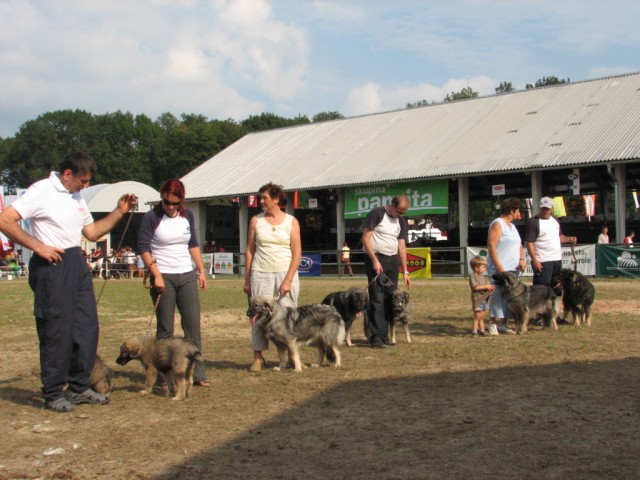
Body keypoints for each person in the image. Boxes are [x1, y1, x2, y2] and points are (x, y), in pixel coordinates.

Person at [0, 152, 137, 412]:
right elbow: (5, 220)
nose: (85, 186)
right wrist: (38, 246)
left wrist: (120, 211)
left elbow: (92, 232)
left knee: (87, 328)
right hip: (52, 265)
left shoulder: (75, 196)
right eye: (83, 181)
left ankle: (79, 387)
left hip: (76, 261)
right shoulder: (41, 190)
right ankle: (53, 392)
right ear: (67, 174)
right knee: (56, 331)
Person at [137, 179, 210, 388]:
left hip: (186, 274)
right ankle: (164, 375)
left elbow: (193, 244)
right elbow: (143, 246)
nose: (170, 207)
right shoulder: (152, 217)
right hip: (163, 275)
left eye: (175, 204)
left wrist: (201, 270)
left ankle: (198, 373)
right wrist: (156, 274)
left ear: (181, 201)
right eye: (167, 202)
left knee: (192, 326)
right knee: (165, 330)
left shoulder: (188, 216)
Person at [243, 182, 302, 372]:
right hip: (261, 274)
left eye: (264, 198)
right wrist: (247, 279)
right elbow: (250, 251)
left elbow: (297, 253)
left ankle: (292, 358)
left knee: (289, 318)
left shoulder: (291, 222)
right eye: (260, 198)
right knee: (258, 317)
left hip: (286, 273)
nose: (260, 201)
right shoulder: (256, 221)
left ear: (276, 199)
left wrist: (288, 280)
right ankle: (258, 357)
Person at [362, 195, 412, 348]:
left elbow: (402, 246)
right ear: (392, 205)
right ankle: (377, 337)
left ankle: (386, 336)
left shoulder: (401, 221)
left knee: (390, 299)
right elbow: (365, 238)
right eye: (399, 211)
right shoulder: (377, 214)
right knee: (377, 298)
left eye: (403, 212)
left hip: (392, 261)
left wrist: (405, 271)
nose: (401, 215)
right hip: (376, 259)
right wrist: (375, 260)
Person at [487, 197, 527, 335]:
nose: (518, 213)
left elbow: (519, 244)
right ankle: (492, 324)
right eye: (517, 210)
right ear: (512, 210)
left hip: (513, 269)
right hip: (500, 268)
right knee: (497, 295)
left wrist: (522, 259)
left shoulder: (513, 226)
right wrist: (498, 265)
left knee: (511, 297)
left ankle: (503, 324)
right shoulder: (498, 224)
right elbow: (491, 245)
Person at [525, 197, 577, 288]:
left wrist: (569, 239)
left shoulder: (555, 220)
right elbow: (530, 242)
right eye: (543, 208)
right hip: (543, 261)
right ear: (540, 208)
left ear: (552, 208)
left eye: (547, 209)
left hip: (557, 260)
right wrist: (534, 260)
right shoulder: (533, 222)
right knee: (541, 291)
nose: (545, 211)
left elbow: (559, 237)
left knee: (556, 290)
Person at [469, 255, 494, 336]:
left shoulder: (482, 276)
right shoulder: (473, 277)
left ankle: (482, 330)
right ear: (476, 267)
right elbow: (475, 287)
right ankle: (474, 331)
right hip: (478, 299)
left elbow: (486, 285)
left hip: (484, 299)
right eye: (483, 267)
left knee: (482, 316)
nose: (485, 269)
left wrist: (490, 288)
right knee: (477, 316)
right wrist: (486, 286)